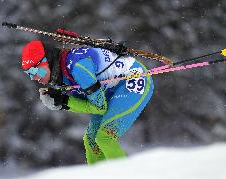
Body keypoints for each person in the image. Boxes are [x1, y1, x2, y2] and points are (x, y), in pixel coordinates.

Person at [21, 40, 154, 164]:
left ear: (48, 60)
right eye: (29, 73)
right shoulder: (59, 76)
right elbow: (86, 101)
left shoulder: (79, 69)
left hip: (133, 78)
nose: (34, 77)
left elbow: (99, 107)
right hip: (110, 89)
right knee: (91, 141)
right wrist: (62, 101)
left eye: (34, 70)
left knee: (104, 138)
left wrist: (65, 102)